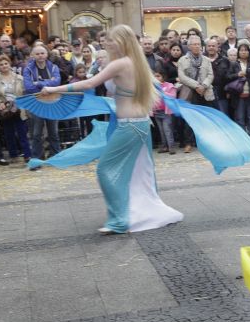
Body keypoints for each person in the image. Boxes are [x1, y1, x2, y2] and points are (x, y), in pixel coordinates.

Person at [39, 24, 183, 234]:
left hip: (131, 125)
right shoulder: (136, 62)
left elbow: (89, 84)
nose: (107, 42)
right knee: (134, 171)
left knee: (105, 169)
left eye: (111, 39)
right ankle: (131, 212)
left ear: (122, 42)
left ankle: (119, 220)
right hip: (138, 123)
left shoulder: (121, 64)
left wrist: (54, 88)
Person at [23, 45, 61, 164]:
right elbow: (28, 87)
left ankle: (56, 156)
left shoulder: (53, 67)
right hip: (36, 103)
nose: (40, 56)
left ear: (46, 54)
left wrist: (39, 83)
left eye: (42, 53)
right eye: (37, 53)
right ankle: (37, 158)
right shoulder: (27, 69)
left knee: (53, 132)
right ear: (32, 55)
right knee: (36, 133)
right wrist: (48, 85)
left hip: (52, 102)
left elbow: (57, 82)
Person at [177, 35, 216, 152]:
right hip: (191, 93)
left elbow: (210, 75)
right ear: (189, 46)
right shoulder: (183, 60)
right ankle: (188, 143)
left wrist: (204, 85)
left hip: (205, 92)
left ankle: (207, 142)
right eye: (194, 44)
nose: (197, 46)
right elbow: (182, 77)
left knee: (206, 118)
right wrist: (196, 86)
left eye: (198, 44)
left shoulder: (206, 60)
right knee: (190, 119)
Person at [0, 55, 31, 162]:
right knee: (8, 133)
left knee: (22, 132)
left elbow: (25, 92)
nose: (4, 66)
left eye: (6, 63)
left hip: (19, 108)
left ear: (10, 64)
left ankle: (27, 155)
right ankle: (13, 155)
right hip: (5, 110)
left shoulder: (19, 77)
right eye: (1, 64)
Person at [151, 70, 176, 154]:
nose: (156, 78)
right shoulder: (152, 87)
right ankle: (164, 146)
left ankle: (171, 147)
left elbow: (173, 96)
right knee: (161, 131)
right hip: (156, 111)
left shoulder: (169, 85)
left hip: (166, 113)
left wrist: (162, 92)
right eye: (155, 76)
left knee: (167, 130)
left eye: (158, 76)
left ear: (163, 76)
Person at [205, 37, 230, 116]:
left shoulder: (225, 60)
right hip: (205, 94)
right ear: (206, 47)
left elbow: (229, 76)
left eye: (213, 46)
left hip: (221, 94)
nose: (211, 48)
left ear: (217, 47)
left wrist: (228, 91)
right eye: (209, 46)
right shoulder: (202, 60)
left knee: (222, 116)